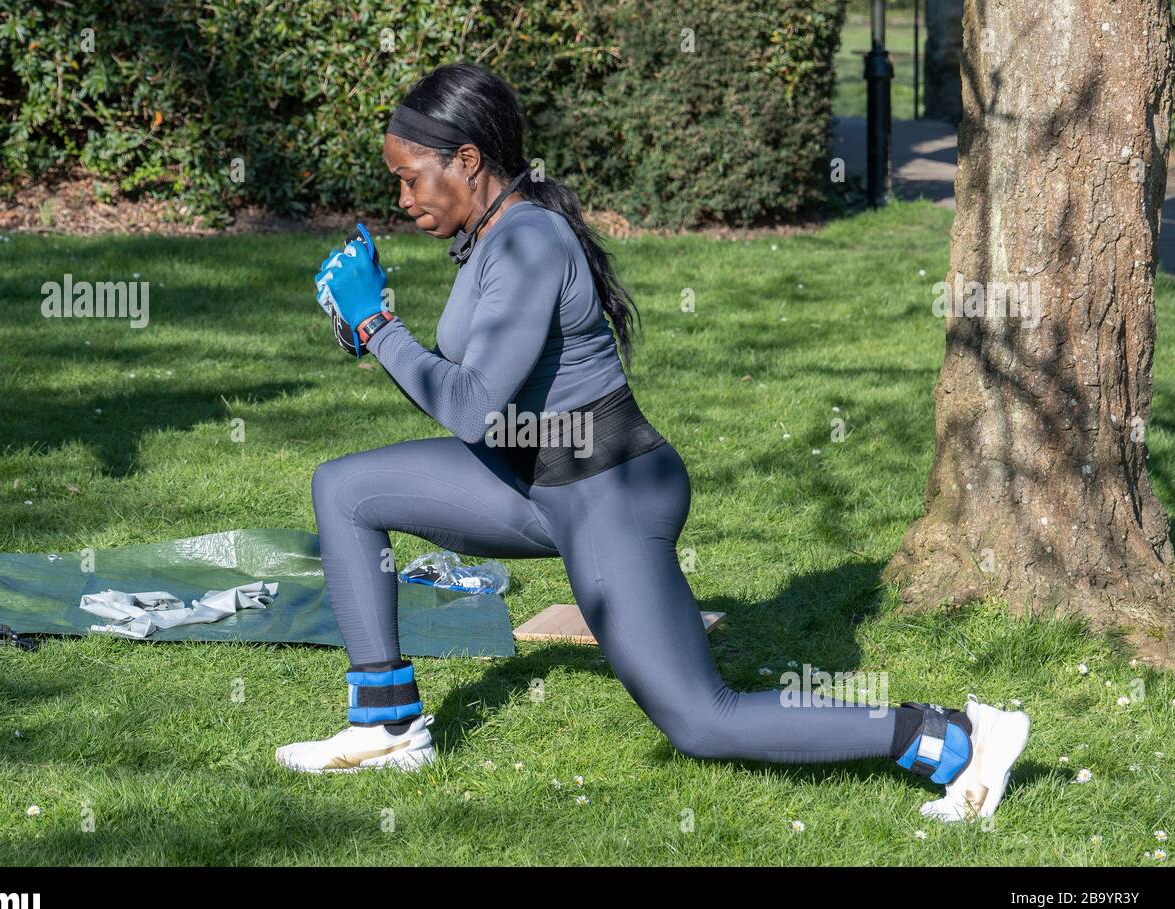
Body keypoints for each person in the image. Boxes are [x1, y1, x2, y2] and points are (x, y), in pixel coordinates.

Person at [277, 62, 1030, 823]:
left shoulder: (529, 242)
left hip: (608, 490)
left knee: (703, 720)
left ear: (467, 161)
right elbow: (472, 388)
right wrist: (363, 329)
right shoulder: (493, 233)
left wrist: (379, 323)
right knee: (345, 489)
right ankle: (388, 725)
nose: (402, 199)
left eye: (411, 179)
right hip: (534, 481)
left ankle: (958, 738)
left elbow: (469, 408)